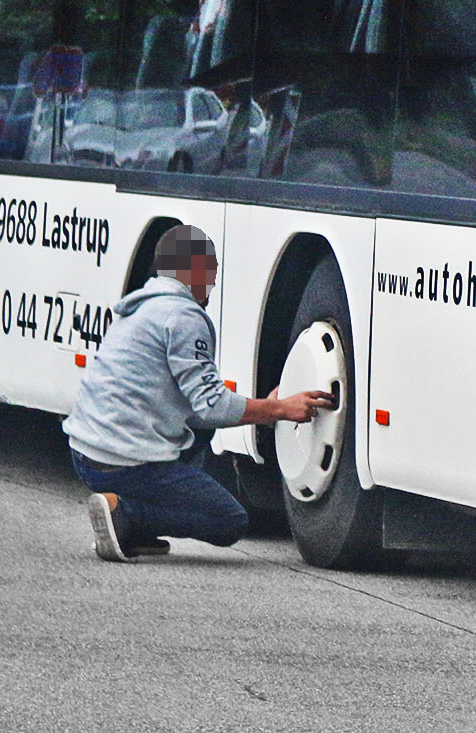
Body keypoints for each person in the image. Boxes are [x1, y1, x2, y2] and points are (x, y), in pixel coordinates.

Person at [64, 224, 333, 562]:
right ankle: (126, 515)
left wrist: (264, 408)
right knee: (229, 520)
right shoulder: (184, 316)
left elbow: (194, 408)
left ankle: (131, 527)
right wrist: (280, 409)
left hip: (84, 453)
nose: (214, 283)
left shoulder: (141, 306)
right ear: (195, 270)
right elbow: (211, 407)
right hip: (122, 463)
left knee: (204, 433)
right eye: (212, 272)